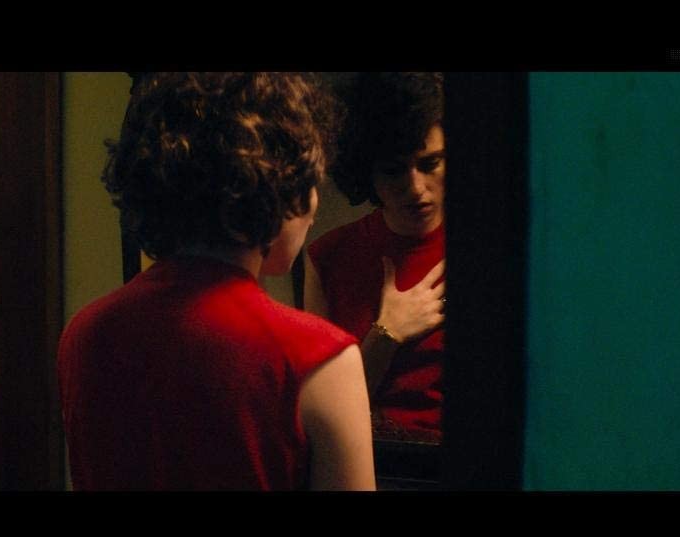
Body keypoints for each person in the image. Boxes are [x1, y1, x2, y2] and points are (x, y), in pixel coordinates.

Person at [56, 72, 375, 491]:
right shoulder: (318, 358)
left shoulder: (83, 333)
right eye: (309, 181)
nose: (314, 210)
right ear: (276, 187)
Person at [305, 72, 446, 442]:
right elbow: (322, 409)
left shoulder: (490, 243)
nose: (416, 188)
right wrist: (386, 334)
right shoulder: (329, 255)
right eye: (394, 171)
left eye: (430, 164)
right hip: (371, 457)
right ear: (367, 173)